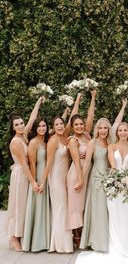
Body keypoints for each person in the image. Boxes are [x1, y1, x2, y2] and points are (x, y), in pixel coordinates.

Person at [75, 122, 128, 264]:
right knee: (113, 215)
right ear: (117, 132)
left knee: (126, 215)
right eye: (120, 130)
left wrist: (126, 180)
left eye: (125, 130)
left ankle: (126, 244)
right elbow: (113, 165)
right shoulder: (111, 147)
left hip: (127, 186)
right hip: (114, 184)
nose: (122, 132)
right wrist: (116, 181)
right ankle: (113, 243)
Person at [80, 99, 127, 252]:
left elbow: (118, 124)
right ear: (97, 129)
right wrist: (81, 178)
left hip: (110, 178)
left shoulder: (111, 143)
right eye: (100, 128)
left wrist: (123, 107)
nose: (103, 130)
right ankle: (97, 241)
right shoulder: (92, 142)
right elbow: (87, 162)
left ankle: (109, 238)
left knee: (109, 209)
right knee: (99, 208)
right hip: (96, 178)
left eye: (105, 128)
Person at [39, 94, 81, 253]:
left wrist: (77, 100)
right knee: (61, 207)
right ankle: (61, 245)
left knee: (65, 207)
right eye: (56, 124)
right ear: (53, 127)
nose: (60, 126)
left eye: (61, 123)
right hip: (55, 178)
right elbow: (49, 164)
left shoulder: (65, 138)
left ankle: (64, 241)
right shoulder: (52, 141)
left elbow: (73, 117)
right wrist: (42, 182)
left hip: (65, 177)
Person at [6, 96, 45, 251]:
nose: (21, 126)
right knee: (19, 205)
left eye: (21, 123)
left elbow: (32, 118)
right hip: (21, 175)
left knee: (24, 205)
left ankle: (20, 234)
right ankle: (13, 237)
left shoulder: (23, 135)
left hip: (26, 173)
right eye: (17, 124)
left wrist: (38, 102)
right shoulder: (16, 142)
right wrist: (33, 182)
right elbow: (23, 164)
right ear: (13, 127)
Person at [66, 90, 96, 248]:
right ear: (71, 126)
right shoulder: (73, 140)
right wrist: (80, 179)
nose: (79, 126)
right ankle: (76, 236)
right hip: (77, 174)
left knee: (84, 204)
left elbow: (90, 117)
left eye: (81, 124)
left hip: (87, 173)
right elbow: (77, 161)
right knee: (76, 205)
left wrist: (93, 98)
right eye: (76, 124)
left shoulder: (87, 135)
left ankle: (83, 234)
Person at [21, 117, 50, 252]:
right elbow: (32, 163)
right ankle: (35, 242)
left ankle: (44, 239)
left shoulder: (45, 141)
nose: (42, 128)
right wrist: (34, 182)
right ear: (35, 128)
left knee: (44, 208)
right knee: (37, 207)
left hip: (46, 176)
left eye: (44, 126)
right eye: (39, 126)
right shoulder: (33, 142)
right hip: (38, 176)